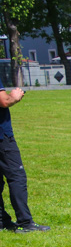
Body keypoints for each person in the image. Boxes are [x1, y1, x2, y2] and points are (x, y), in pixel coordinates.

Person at [0, 79, 50, 233]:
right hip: (2, 137)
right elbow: (3, 101)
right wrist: (14, 96)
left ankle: (2, 221)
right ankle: (25, 222)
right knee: (17, 177)